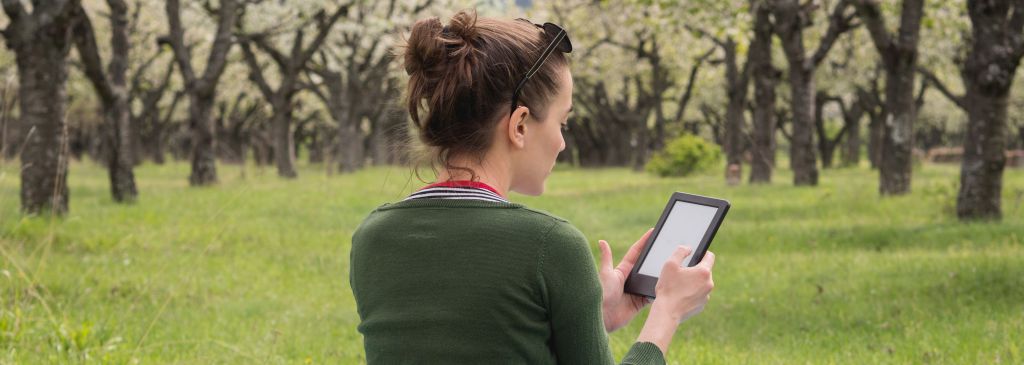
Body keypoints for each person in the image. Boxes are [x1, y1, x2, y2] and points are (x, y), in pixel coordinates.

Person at [349, 9, 716, 364]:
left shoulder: (371, 236)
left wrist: (587, 314)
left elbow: (474, 338)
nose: (562, 143)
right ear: (520, 124)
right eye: (563, 122)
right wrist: (666, 312)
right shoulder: (549, 245)